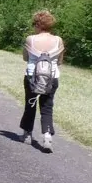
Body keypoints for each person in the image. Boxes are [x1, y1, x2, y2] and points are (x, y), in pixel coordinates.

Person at [20, 10, 64, 152]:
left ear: (38, 24)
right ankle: (47, 136)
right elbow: (60, 61)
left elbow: (25, 58)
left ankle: (27, 134)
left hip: (32, 76)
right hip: (52, 77)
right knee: (47, 107)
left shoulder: (30, 39)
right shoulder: (58, 40)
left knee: (30, 104)